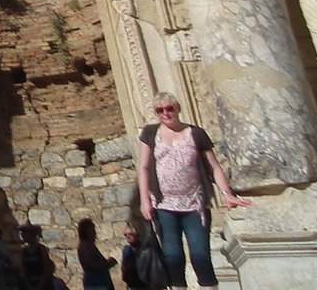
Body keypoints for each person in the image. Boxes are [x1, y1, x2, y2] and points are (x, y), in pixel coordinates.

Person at [136, 92, 249, 289]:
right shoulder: (150, 133)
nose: (165, 113)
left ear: (178, 108)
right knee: (173, 257)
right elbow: (143, 167)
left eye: (169, 108)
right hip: (164, 205)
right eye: (160, 110)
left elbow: (213, 166)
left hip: (194, 205)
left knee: (200, 256)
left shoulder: (196, 133)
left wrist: (226, 194)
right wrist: (144, 200)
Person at [76, 218, 117, 290]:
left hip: (101, 283)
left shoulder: (89, 245)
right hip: (95, 284)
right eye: (91, 231)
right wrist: (108, 263)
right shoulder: (85, 246)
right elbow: (92, 264)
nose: (94, 233)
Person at [19, 221, 54, 289]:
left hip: (43, 284)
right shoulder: (23, 251)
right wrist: (28, 285)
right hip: (30, 283)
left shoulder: (41, 249)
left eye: (25, 233)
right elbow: (23, 270)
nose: (23, 235)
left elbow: (46, 269)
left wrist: (40, 286)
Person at [118, 223, 144, 289]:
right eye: (125, 235)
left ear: (136, 235)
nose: (127, 236)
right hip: (132, 284)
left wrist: (132, 266)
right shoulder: (126, 250)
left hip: (144, 284)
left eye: (130, 234)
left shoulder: (145, 249)